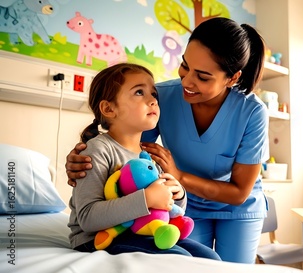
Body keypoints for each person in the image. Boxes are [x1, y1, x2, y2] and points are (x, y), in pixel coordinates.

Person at [65, 17, 269, 263]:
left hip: (236, 208)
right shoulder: (163, 96)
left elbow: (238, 192)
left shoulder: (252, 112)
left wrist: (178, 182)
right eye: (185, 65)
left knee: (226, 266)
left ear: (232, 78)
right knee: (191, 262)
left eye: (202, 77)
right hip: (183, 207)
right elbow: (126, 146)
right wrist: (82, 159)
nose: (186, 81)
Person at [67, 62, 220, 260]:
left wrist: (178, 193)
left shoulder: (148, 155)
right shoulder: (98, 150)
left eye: (154, 94)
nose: (153, 100)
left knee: (211, 259)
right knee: (179, 259)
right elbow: (88, 218)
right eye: (139, 92)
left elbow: (169, 209)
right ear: (109, 108)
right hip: (97, 239)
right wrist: (147, 198)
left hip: (143, 231)